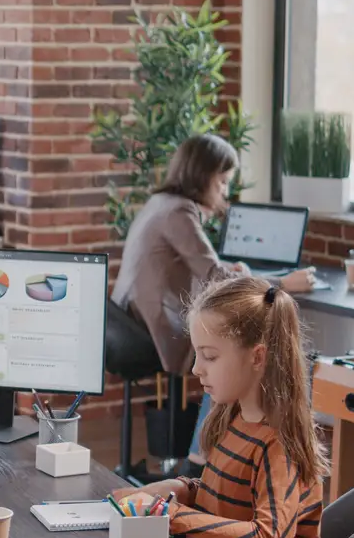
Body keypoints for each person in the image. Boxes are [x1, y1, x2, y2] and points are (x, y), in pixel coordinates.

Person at [112, 276, 327, 538]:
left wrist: (175, 517)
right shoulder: (234, 417)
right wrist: (182, 488)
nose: (197, 368)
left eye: (209, 356)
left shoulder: (278, 445)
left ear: (257, 356)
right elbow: (231, 496)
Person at [109, 134, 315, 479]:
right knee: (236, 352)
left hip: (125, 324)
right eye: (222, 182)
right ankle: (200, 459)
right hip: (147, 331)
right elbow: (217, 276)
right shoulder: (179, 211)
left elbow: (208, 272)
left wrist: (235, 273)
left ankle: (213, 456)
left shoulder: (161, 203)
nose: (223, 192)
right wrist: (284, 283)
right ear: (203, 176)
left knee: (230, 347)